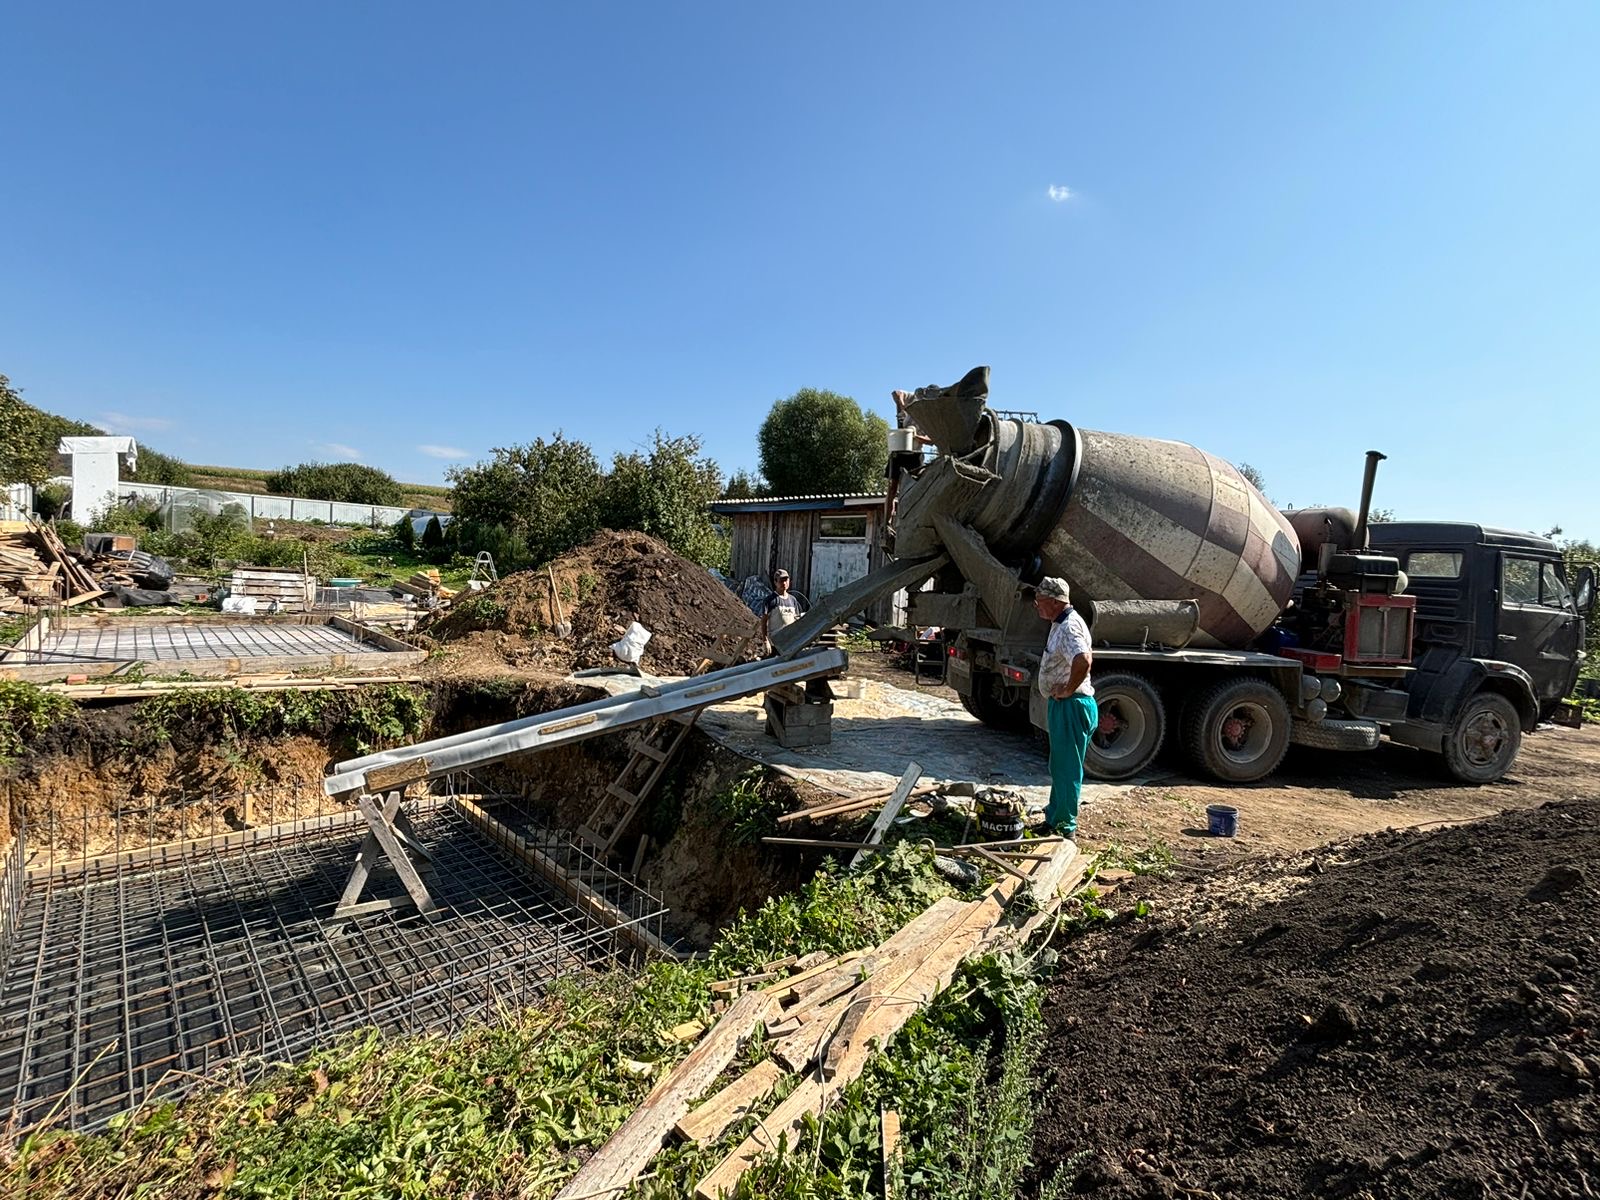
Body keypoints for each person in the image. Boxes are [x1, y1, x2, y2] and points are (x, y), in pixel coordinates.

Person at [1032, 576, 1096, 838]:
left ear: (1056, 602)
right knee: (1059, 766)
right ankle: (1054, 818)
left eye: (1040, 601)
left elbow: (1083, 659)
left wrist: (1068, 689)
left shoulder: (1069, 627)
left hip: (1072, 705)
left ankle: (1065, 828)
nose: (1036, 605)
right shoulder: (1058, 623)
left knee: (1067, 769)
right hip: (1063, 705)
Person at [759, 568, 805, 652]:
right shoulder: (770, 600)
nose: (784, 583)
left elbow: (797, 620)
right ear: (775, 582)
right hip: (775, 644)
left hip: (790, 643)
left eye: (786, 580)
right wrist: (765, 640)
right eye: (781, 581)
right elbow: (764, 621)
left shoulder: (793, 600)